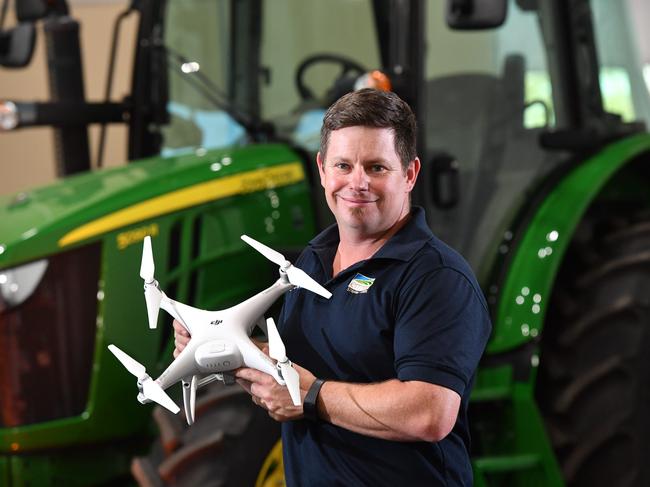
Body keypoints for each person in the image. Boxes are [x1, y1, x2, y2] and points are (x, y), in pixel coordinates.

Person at [173, 88, 492, 486]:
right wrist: (219, 349)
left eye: (376, 167)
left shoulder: (436, 278)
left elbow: (429, 412)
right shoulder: (311, 262)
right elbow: (306, 367)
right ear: (323, 169)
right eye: (344, 165)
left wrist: (310, 396)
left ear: (409, 174)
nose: (356, 183)